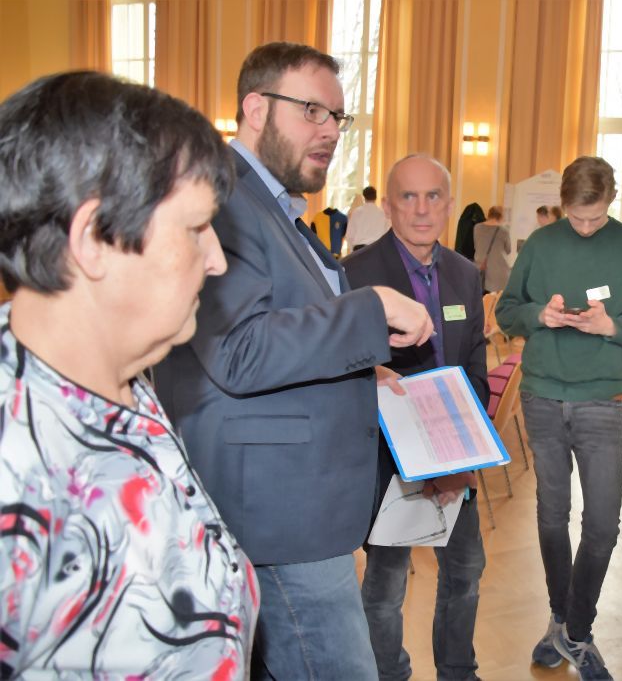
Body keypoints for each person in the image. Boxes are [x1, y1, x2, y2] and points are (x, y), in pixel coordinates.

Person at [152, 42, 433, 679]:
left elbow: (282, 331)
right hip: (277, 514)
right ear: (255, 109)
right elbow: (238, 349)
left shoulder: (272, 207)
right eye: (312, 111)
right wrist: (371, 308)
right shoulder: (222, 199)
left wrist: (365, 370)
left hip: (299, 506)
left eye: (338, 117)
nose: (330, 131)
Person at [0, 71, 257, 677]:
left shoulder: (121, 374)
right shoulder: (15, 463)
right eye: (195, 228)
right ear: (93, 238)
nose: (217, 261)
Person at [496, 156, 622, 680]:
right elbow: (506, 311)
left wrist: (611, 327)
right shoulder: (542, 243)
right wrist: (538, 315)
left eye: (595, 218)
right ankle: (567, 626)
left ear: (611, 201)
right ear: (563, 204)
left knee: (603, 525)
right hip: (543, 395)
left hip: (601, 401)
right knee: (551, 515)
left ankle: (572, 627)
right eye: (576, 217)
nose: (586, 227)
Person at [346, 155, 487, 681]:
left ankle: (458, 671)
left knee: (466, 572)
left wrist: (462, 456)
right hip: (389, 460)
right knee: (386, 586)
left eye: (433, 197)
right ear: (388, 205)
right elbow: (345, 369)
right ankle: (389, 673)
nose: (422, 209)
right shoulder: (356, 275)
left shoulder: (465, 274)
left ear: (449, 205)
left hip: (455, 455)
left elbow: (474, 367)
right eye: (409, 196)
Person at [474, 205, 512, 293]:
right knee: (496, 299)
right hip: (499, 271)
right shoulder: (504, 231)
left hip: (481, 268)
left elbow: (476, 246)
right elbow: (508, 250)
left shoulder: (477, 227)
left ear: (489, 214)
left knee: (482, 298)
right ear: (501, 216)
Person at [347, 184, 388, 250]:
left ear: (364, 197)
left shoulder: (357, 212)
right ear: (376, 197)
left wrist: (352, 250)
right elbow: (386, 234)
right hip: (377, 248)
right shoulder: (382, 213)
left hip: (360, 248)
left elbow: (350, 234)